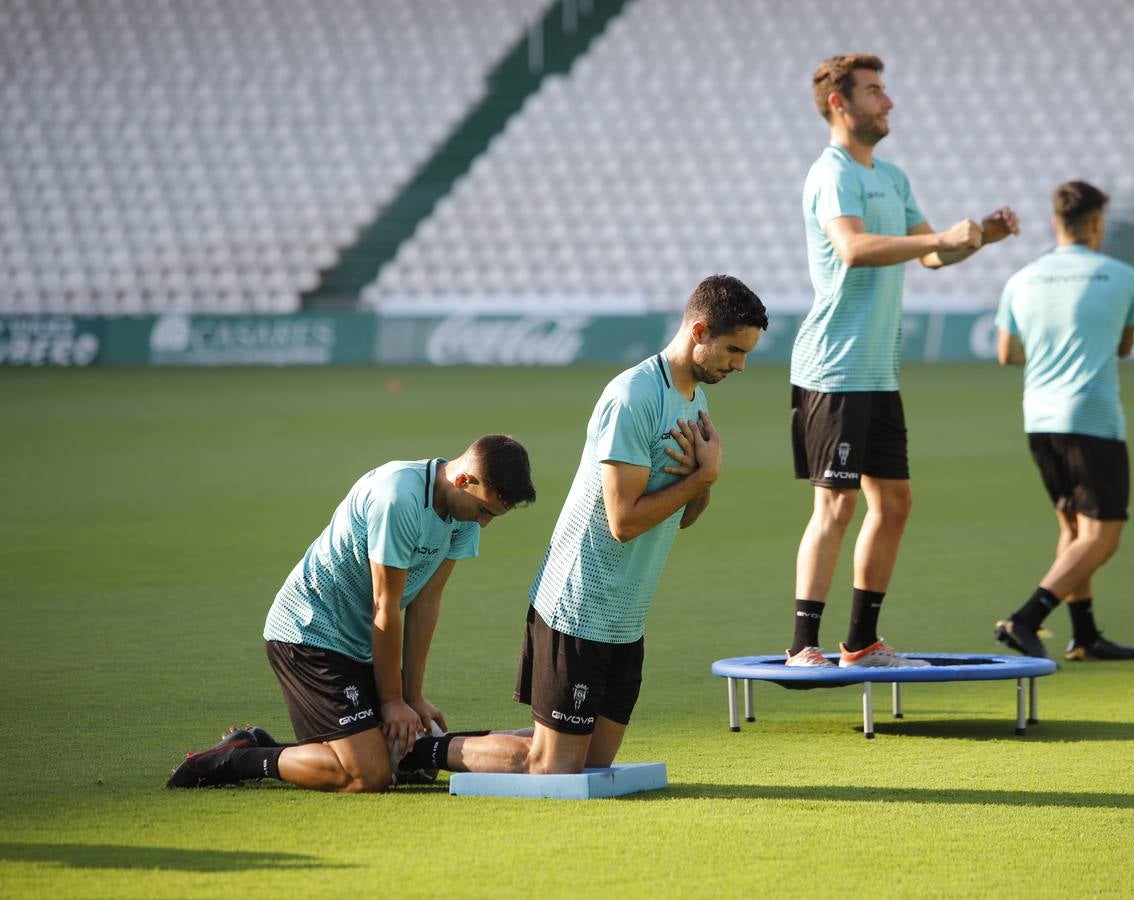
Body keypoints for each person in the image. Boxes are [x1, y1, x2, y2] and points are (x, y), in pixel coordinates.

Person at [786, 54, 1020, 668]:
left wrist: (976, 240)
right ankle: (801, 645)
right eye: (873, 92)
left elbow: (930, 257)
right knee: (835, 505)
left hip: (876, 372)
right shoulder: (832, 172)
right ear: (840, 104)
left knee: (894, 503)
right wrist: (939, 238)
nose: (887, 102)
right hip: (833, 367)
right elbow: (854, 248)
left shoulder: (891, 175)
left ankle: (860, 644)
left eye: (884, 91)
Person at [165, 436, 537, 791]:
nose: (484, 522)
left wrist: (412, 696)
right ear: (463, 480)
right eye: (484, 510)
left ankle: (326, 743)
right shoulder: (399, 498)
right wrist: (391, 702)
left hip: (363, 643)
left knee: (406, 752)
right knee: (367, 776)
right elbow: (385, 605)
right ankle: (239, 757)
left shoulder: (463, 514)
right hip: (309, 635)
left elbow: (426, 604)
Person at [510, 274, 767, 775]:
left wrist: (703, 482)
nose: (740, 365)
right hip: (578, 604)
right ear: (698, 332)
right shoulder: (634, 396)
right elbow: (622, 522)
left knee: (591, 761)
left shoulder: (696, 399)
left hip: (626, 615)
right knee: (555, 765)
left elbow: (686, 516)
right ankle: (426, 751)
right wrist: (705, 475)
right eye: (734, 350)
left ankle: (451, 743)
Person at [991, 180, 1134, 661]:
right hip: (1092, 418)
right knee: (1103, 535)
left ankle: (1085, 636)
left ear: (1055, 222)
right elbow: (1123, 346)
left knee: (1074, 531)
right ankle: (1026, 618)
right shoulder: (1123, 277)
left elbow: (1006, 354)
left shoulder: (1022, 279)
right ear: (1097, 222)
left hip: (1039, 417)